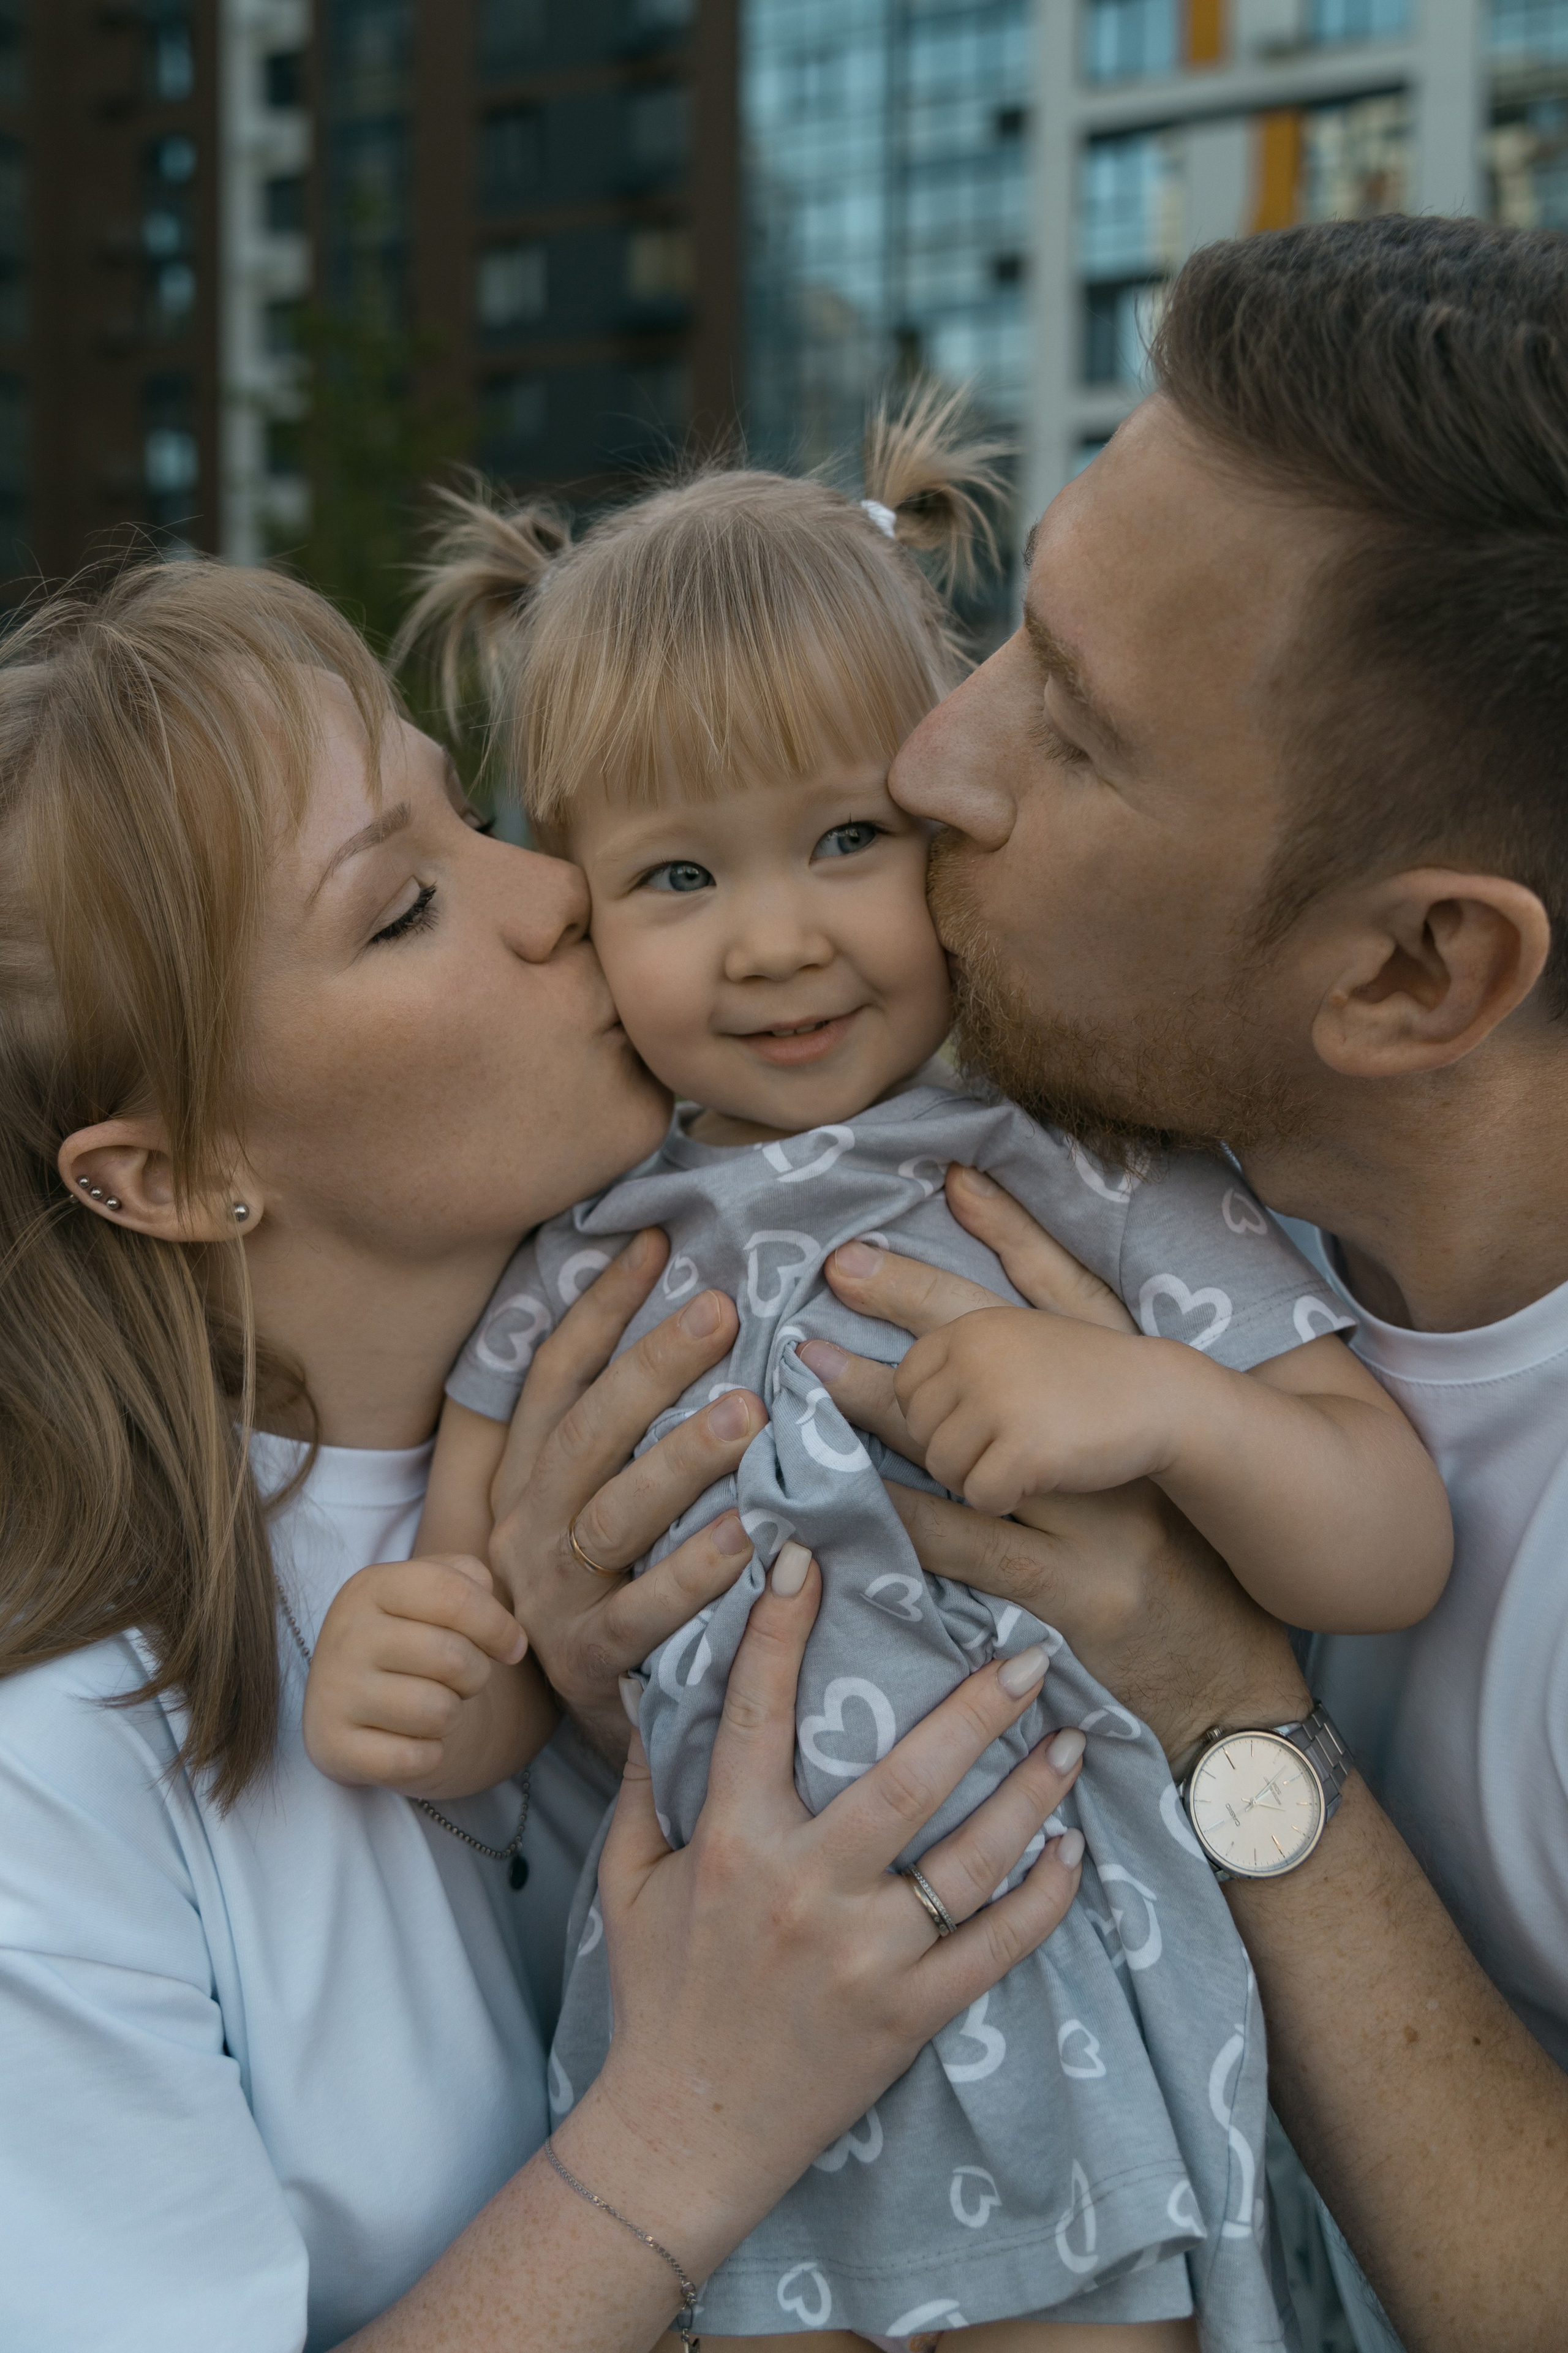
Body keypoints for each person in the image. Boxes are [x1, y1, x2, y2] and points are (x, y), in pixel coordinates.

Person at [300, 404, 1447, 2351]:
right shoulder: (573, 1247)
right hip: (714, 2050)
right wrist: (417, 1677)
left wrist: (1171, 1407)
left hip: (1054, 1981)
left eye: (848, 839)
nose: (776, 941)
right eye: (678, 875)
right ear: (574, 904)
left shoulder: (1074, 1168)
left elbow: (1388, 1537)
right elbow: (509, 1653)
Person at [0, 558, 1091, 2353]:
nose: (556, 893)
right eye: (402, 907)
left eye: (477, 813)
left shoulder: (822, 1301)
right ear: (177, 1175)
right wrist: (688, 2130)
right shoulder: (55, 1780)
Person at [742, 214, 1568, 2353]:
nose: (933, 763)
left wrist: (1215, 1695)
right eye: (1009, 637)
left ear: (1418, 971)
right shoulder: (1063, 1137)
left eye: (1078, 733)